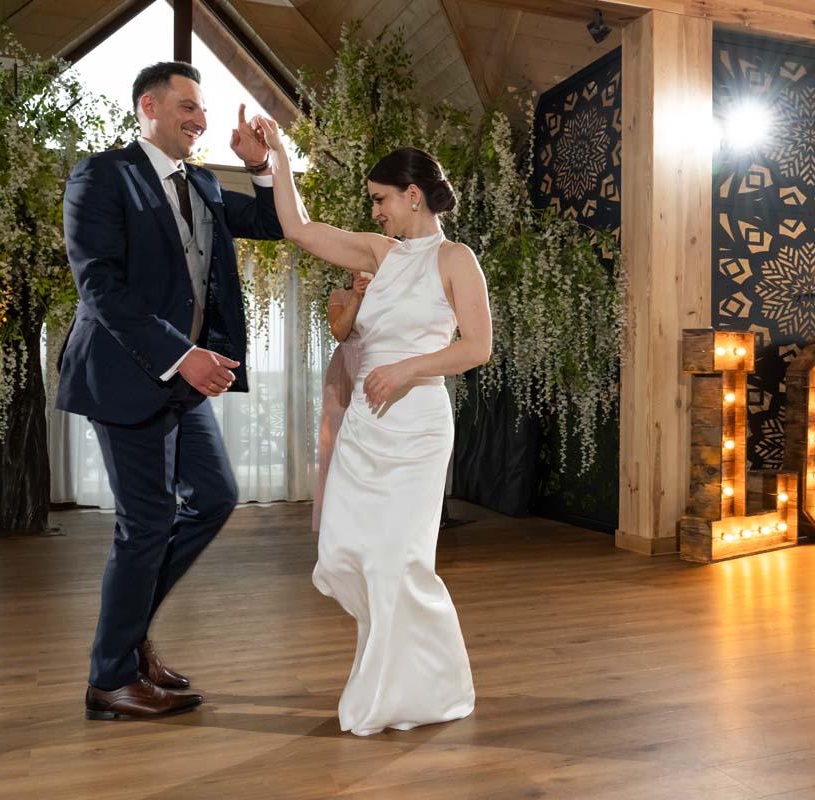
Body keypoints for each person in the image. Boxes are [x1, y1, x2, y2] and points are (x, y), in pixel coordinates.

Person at [56, 62, 283, 720]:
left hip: (181, 384)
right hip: (124, 377)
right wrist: (183, 356)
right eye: (188, 106)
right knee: (147, 523)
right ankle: (110, 680)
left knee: (214, 497)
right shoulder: (102, 176)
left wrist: (261, 166)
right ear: (149, 108)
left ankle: (128, 641)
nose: (201, 120)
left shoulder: (204, 183)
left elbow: (270, 223)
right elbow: (99, 287)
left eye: (203, 110)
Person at [256, 115, 492, 735]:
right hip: (365, 425)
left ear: (413, 195)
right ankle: (409, 669)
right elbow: (298, 229)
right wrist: (278, 155)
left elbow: (477, 347)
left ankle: (412, 689)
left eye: (381, 199)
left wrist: (409, 368)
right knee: (344, 553)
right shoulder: (377, 253)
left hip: (417, 427)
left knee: (398, 562)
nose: (376, 211)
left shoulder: (455, 259)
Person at [313, 279, 368, 532]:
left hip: (377, 367)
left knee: (372, 441)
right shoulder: (339, 294)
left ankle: (370, 513)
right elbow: (339, 332)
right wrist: (356, 296)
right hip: (344, 370)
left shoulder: (390, 291)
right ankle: (338, 514)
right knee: (337, 439)